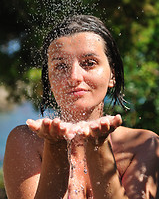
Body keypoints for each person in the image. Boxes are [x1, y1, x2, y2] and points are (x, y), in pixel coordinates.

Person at [3, 15, 159, 199]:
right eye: (61, 66)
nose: (74, 77)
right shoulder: (25, 141)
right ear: (49, 79)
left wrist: (98, 146)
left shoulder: (144, 144)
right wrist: (55, 148)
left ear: (112, 76)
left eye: (89, 63)